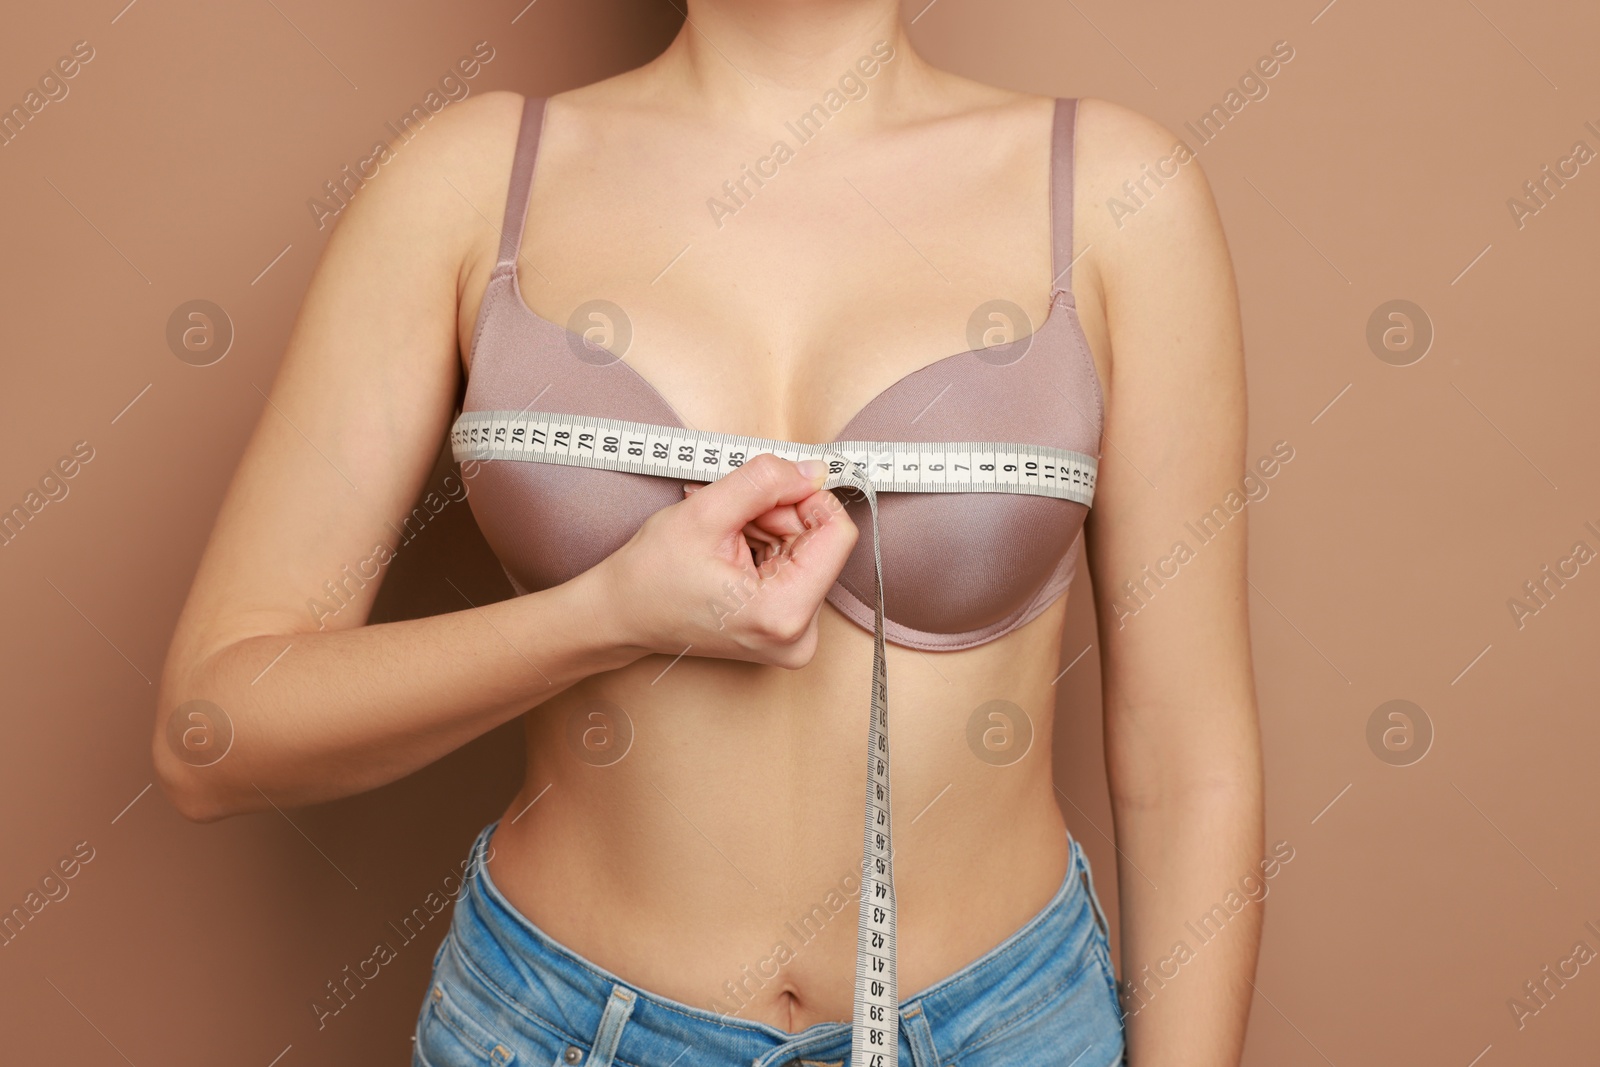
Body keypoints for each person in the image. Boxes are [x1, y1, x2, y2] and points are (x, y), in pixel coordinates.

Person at [154, 3, 1263, 1064]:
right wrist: (605, 615)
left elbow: (1186, 759)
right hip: (556, 1028)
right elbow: (211, 732)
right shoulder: (472, 183)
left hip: (1008, 1026)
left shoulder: (1117, 192)